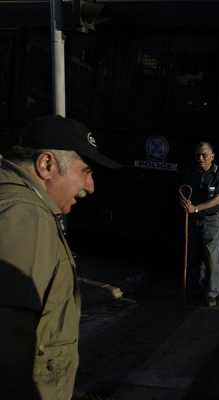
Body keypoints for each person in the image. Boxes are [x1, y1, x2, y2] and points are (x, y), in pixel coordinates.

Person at [0, 115, 119, 399]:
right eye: (85, 171)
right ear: (46, 165)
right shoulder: (25, 217)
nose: (90, 186)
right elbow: (9, 345)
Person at [179, 142, 219, 307]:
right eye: (198, 155)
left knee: (212, 259)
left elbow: (218, 199)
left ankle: (211, 294)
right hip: (193, 220)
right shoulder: (191, 172)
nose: (200, 158)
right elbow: (183, 192)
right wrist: (184, 203)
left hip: (212, 221)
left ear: (212, 156)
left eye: (204, 155)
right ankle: (195, 291)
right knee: (194, 258)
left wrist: (196, 208)